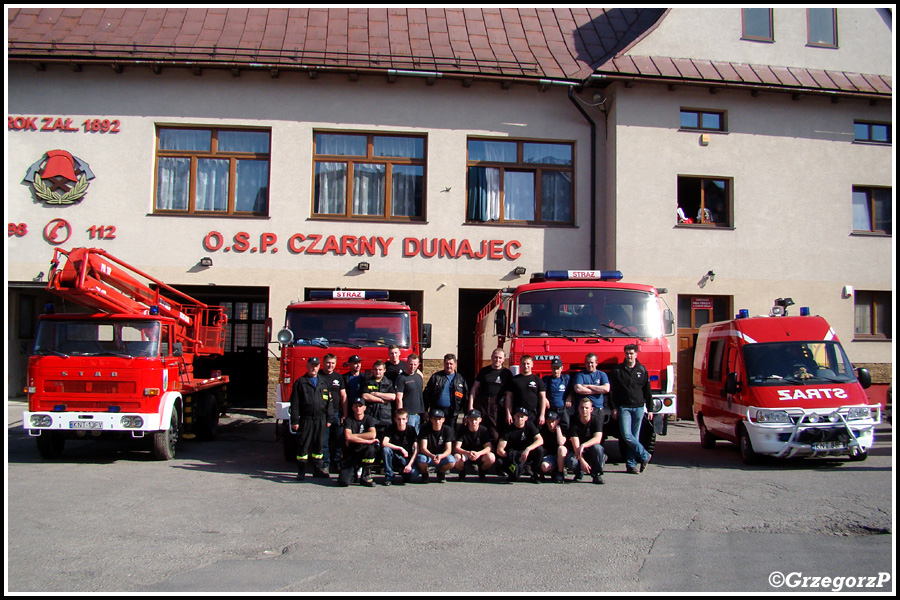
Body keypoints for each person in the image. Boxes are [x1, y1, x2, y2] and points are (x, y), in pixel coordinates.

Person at [289, 357, 334, 481]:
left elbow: (329, 402)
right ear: (307, 366)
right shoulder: (300, 382)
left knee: (319, 446)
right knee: (303, 445)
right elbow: (295, 403)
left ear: (319, 367)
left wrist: (329, 418)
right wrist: (295, 421)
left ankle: (317, 470)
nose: (313, 368)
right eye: (311, 365)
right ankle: (301, 472)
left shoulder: (323, 382)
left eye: (316, 366)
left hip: (320, 419)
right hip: (306, 419)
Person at [610, 344, 653, 474]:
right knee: (626, 435)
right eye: (627, 353)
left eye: (632, 353)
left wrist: (650, 409)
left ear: (636, 354)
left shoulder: (642, 370)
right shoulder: (618, 371)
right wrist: (614, 408)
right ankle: (645, 455)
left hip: (639, 407)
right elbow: (613, 392)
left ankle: (631, 465)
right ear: (624, 354)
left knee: (634, 436)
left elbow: (647, 391)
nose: (629, 356)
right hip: (624, 408)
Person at [469, 348, 513, 446]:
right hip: (482, 404)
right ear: (491, 357)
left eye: (500, 358)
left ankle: (494, 456)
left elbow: (509, 395)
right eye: (495, 357)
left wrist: (508, 412)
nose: (497, 360)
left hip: (497, 406)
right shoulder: (484, 371)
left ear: (503, 360)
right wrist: (470, 407)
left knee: (495, 433)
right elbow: (474, 388)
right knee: (480, 430)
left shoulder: (507, 374)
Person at [496, 406, 544, 483]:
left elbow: (540, 440)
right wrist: (512, 457)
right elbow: (499, 450)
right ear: (514, 416)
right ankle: (512, 474)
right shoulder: (508, 429)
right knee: (499, 462)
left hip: (526, 454)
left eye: (522, 417)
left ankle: (535, 475)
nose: (520, 419)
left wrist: (528, 449)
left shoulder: (530, 426)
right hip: (513, 455)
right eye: (518, 416)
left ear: (526, 418)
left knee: (540, 450)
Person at [338, 397, 378, 487]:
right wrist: (366, 441)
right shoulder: (349, 419)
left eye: (360, 406)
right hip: (351, 452)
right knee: (344, 482)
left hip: (363, 451)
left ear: (364, 408)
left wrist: (354, 436)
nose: (358, 408)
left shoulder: (369, 419)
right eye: (356, 406)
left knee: (371, 449)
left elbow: (372, 435)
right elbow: (348, 436)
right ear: (352, 408)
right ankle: (353, 472)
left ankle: (365, 476)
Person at [569, 396, 607, 484]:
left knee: (598, 448)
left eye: (587, 408)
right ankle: (579, 473)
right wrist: (582, 461)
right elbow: (576, 446)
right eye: (582, 407)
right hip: (578, 452)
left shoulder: (596, 420)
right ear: (578, 409)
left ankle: (596, 474)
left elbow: (597, 439)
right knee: (571, 462)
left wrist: (584, 445)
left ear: (591, 409)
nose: (584, 410)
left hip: (591, 450)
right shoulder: (574, 423)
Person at [423, 353, 468, 427]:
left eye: (451, 363)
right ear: (444, 364)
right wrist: (425, 410)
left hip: (452, 413)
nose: (449, 366)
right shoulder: (436, 377)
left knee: (450, 434)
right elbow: (426, 395)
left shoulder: (461, 379)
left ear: (455, 364)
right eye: (446, 363)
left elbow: (466, 398)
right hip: (437, 412)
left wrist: (466, 414)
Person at [320, 353, 347, 473]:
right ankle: (325, 464)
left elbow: (343, 396)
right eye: (328, 363)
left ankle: (336, 463)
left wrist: (344, 414)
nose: (330, 365)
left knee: (339, 441)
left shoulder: (338, 377)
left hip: (337, 413)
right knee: (324, 441)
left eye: (332, 363)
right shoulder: (319, 376)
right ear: (323, 363)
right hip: (323, 415)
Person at [503, 355, 547, 427]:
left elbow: (543, 398)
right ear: (520, 364)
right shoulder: (514, 380)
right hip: (518, 414)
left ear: (532, 365)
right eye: (523, 363)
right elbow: (509, 397)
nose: (526, 366)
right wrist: (508, 413)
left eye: (528, 364)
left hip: (533, 414)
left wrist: (542, 415)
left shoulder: (538, 380)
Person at [452, 409, 496, 481]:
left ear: (480, 420)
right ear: (467, 419)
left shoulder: (484, 430)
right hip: (466, 455)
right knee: (457, 457)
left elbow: (489, 447)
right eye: (471, 419)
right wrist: (468, 453)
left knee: (491, 457)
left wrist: (478, 454)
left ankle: (482, 471)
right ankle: (462, 472)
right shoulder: (462, 429)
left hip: (479, 455)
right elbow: (456, 448)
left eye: (475, 419)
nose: (473, 422)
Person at [416, 408, 456, 483]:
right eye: (435, 419)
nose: (437, 421)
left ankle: (441, 472)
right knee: (421, 459)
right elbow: (423, 448)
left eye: (439, 419)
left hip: (442, 456)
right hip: (428, 455)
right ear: (431, 419)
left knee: (451, 462)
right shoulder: (425, 429)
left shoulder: (448, 430)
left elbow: (449, 449)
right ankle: (425, 474)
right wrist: (432, 456)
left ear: (443, 420)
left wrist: (440, 456)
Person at [382, 409, 418, 485]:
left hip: (405, 459)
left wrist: (409, 465)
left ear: (407, 420)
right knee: (386, 450)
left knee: (413, 475)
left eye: (403, 419)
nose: (401, 422)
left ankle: (403, 472)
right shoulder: (390, 428)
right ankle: (389, 477)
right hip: (394, 457)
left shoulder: (411, 429)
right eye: (399, 419)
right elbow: (384, 443)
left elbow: (416, 449)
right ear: (395, 419)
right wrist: (400, 448)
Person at [362, 360, 396, 440]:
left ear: (384, 370)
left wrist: (375, 394)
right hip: (370, 417)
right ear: (373, 370)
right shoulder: (367, 383)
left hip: (385, 418)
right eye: (376, 369)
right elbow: (365, 396)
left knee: (383, 444)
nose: (378, 372)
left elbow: (392, 397)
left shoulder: (389, 383)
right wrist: (382, 400)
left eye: (380, 370)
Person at [539, 410, 573, 484]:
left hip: (563, 457)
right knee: (544, 466)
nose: (551, 424)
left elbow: (561, 442)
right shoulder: (544, 431)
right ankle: (554, 470)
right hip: (551, 456)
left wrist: (558, 429)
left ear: (557, 421)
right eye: (548, 422)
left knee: (561, 448)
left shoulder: (563, 429)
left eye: (553, 421)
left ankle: (560, 473)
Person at [395, 353, 426, 434]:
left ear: (418, 365)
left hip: (419, 414)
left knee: (417, 439)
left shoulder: (419, 377)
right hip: (408, 415)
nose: (412, 367)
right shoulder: (401, 378)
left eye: (415, 364)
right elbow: (399, 398)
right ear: (407, 363)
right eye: (410, 364)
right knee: (409, 439)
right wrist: (401, 415)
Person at [541, 358, 571, 429]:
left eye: (557, 368)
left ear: (561, 368)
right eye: (553, 368)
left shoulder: (566, 379)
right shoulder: (547, 379)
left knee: (566, 427)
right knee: (550, 428)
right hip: (551, 409)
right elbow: (541, 391)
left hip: (563, 409)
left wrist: (570, 396)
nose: (555, 371)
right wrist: (545, 399)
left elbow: (572, 389)